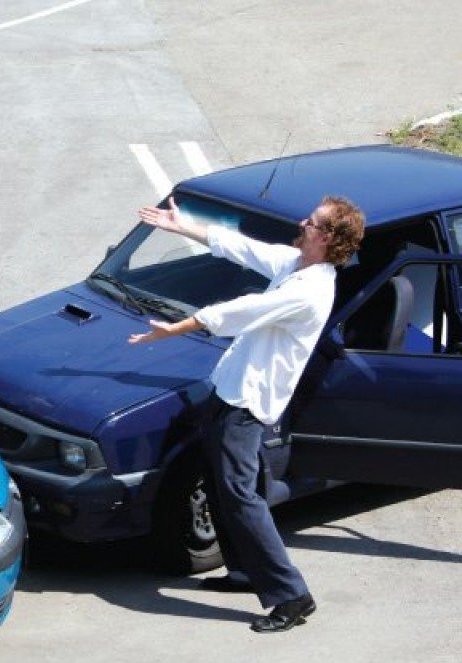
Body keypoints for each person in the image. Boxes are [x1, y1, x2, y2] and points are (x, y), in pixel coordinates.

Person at [130, 195, 365, 633]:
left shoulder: (309, 291)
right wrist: (181, 226)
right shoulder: (296, 264)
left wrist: (177, 328)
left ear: (328, 237)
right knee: (229, 485)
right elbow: (240, 246)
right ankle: (243, 572)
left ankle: (292, 596)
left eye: (311, 221)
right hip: (231, 390)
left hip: (246, 404)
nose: (302, 221)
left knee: (240, 496)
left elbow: (241, 311)